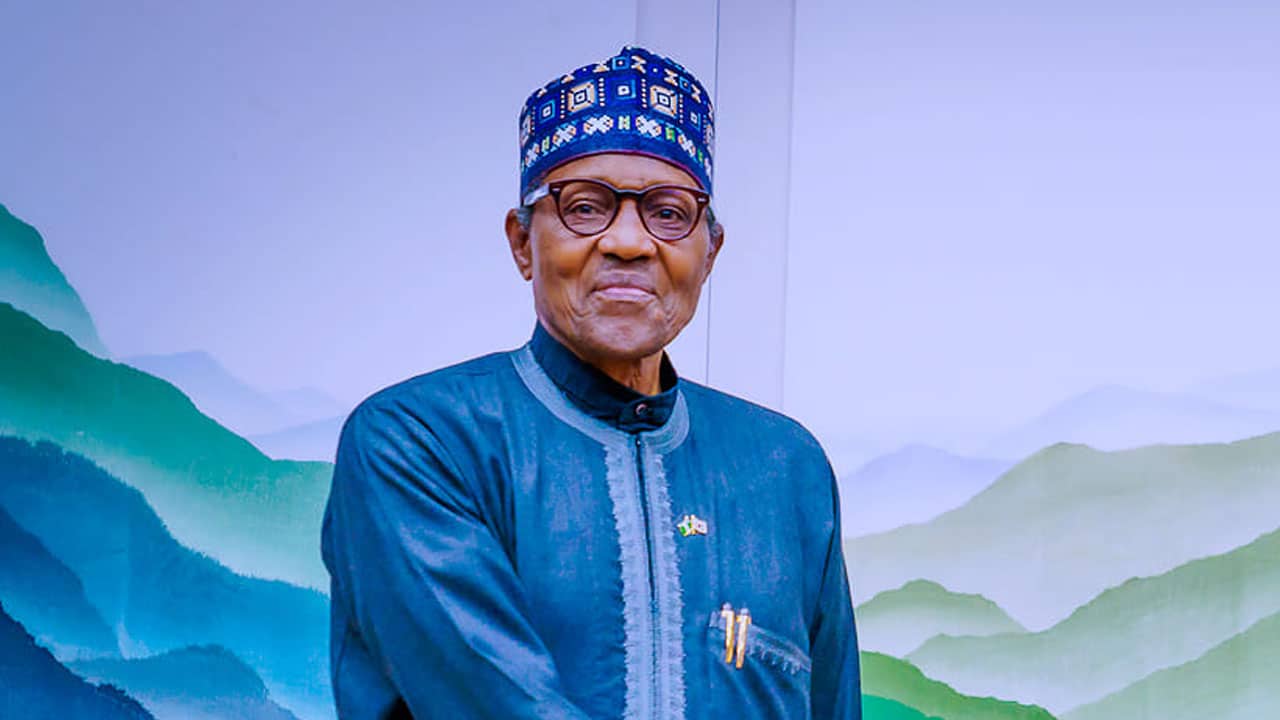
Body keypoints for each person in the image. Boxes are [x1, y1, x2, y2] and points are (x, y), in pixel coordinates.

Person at [320, 44, 861, 719]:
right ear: (523, 243)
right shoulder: (422, 441)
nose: (629, 242)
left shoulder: (785, 466)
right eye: (585, 207)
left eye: (669, 213)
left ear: (710, 252)